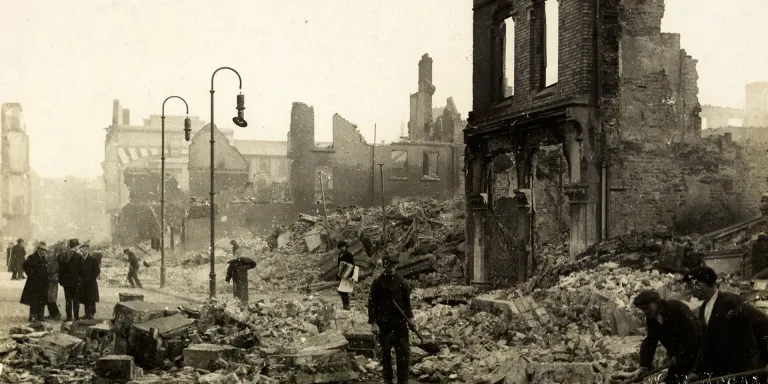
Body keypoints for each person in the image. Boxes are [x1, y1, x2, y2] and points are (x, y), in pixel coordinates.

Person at [684, 266, 768, 382]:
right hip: (721, 371)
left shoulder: (732, 302)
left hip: (742, 369)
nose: (691, 291)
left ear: (702, 284)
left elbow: (762, 323)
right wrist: (696, 371)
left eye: (692, 286)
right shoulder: (704, 308)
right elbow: (705, 343)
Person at [613, 290, 701, 384]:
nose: (645, 311)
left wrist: (678, 356)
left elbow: (693, 335)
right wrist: (644, 366)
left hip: (698, 355)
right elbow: (650, 342)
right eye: (643, 309)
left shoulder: (676, 308)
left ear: (656, 302)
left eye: (647, 307)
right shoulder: (651, 319)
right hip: (677, 359)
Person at [368, 253, 413, 384]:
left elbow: (407, 303)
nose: (391, 268)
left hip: (400, 323)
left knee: (403, 351)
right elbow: (371, 304)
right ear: (384, 267)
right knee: (386, 352)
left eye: (393, 266)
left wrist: (411, 318)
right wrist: (373, 323)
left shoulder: (402, 282)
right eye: (388, 266)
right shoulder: (377, 283)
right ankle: (388, 379)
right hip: (384, 324)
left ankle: (402, 380)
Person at [20, 242, 49, 322]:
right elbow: (24, 265)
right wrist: (31, 274)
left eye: (45, 250)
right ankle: (32, 316)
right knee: (34, 300)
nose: (43, 251)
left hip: (42, 283)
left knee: (42, 300)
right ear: (38, 249)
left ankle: (40, 316)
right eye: (42, 249)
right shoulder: (32, 257)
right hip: (34, 283)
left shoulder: (43, 258)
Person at [59, 239, 83, 321]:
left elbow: (61, 269)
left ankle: (69, 317)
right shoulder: (79, 256)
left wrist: (61, 280)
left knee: (68, 300)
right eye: (77, 246)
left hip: (66, 282)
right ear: (76, 246)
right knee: (76, 300)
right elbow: (82, 270)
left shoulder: (64, 255)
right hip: (76, 282)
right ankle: (76, 317)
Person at [79, 244, 100, 320]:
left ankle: (91, 314)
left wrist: (91, 277)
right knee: (85, 299)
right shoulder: (81, 259)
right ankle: (86, 314)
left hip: (91, 283)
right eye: (82, 250)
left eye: (84, 250)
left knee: (91, 299)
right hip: (84, 283)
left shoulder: (92, 259)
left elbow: (97, 271)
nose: (83, 251)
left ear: (87, 250)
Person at [43, 242, 61, 320]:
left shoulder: (56, 259)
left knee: (51, 298)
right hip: (49, 280)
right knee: (48, 298)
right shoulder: (51, 258)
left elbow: (55, 270)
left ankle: (56, 314)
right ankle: (52, 314)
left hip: (53, 280)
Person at [336, 240, 355, 310]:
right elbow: (339, 266)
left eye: (342, 247)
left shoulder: (349, 255)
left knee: (343, 291)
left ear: (345, 247)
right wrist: (337, 276)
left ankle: (346, 305)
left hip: (347, 275)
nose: (341, 248)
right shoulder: (340, 254)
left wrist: (350, 276)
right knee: (342, 291)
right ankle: (345, 305)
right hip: (341, 275)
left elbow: (352, 265)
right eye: (340, 247)